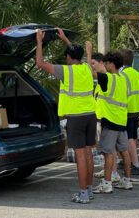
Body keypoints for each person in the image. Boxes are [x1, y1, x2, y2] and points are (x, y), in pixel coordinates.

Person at [36, 28, 96, 204]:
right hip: (90, 115)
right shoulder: (86, 68)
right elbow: (75, 53)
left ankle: (83, 194)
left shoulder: (65, 71)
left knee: (80, 157)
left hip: (76, 118)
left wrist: (39, 41)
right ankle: (89, 190)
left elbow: (40, 63)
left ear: (68, 58)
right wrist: (65, 40)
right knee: (88, 154)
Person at [86, 42, 133, 194]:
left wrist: (89, 52)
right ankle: (127, 181)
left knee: (108, 153)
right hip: (121, 121)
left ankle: (106, 183)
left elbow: (92, 70)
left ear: (111, 64)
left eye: (106, 63)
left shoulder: (107, 79)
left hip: (110, 122)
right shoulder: (122, 79)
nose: (103, 65)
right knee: (124, 152)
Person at [119, 49, 139, 175]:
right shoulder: (138, 73)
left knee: (128, 138)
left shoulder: (122, 75)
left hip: (127, 109)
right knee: (133, 137)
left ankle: (135, 164)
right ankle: (128, 160)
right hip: (137, 108)